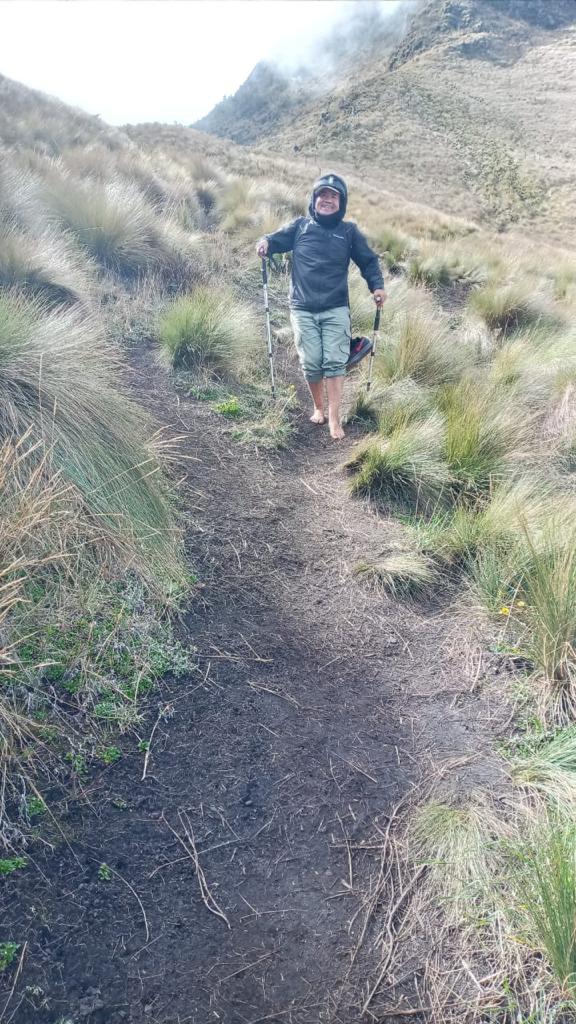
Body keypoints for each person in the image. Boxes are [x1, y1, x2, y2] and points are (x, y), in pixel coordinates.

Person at [256, 173, 386, 440]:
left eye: (333, 196)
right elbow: (275, 239)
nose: (327, 200)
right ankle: (318, 407)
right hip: (302, 307)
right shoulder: (300, 227)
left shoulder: (348, 232)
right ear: (314, 200)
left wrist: (377, 286)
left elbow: (368, 261)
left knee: (334, 362)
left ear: (342, 202)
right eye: (322, 195)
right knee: (311, 362)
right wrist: (266, 242)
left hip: (336, 308)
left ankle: (335, 419)